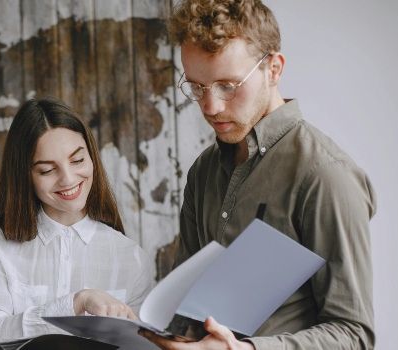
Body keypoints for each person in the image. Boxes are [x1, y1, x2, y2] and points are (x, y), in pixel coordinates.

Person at [139, 0, 376, 349]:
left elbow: (355, 334)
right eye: (197, 87)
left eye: (228, 85)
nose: (211, 106)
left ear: (274, 69)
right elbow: (184, 313)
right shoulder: (203, 171)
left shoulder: (326, 176)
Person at [0, 97, 154, 342]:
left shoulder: (132, 258)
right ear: (24, 175)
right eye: (47, 170)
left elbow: (142, 344)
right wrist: (76, 303)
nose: (68, 179)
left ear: (92, 158)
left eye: (77, 160)